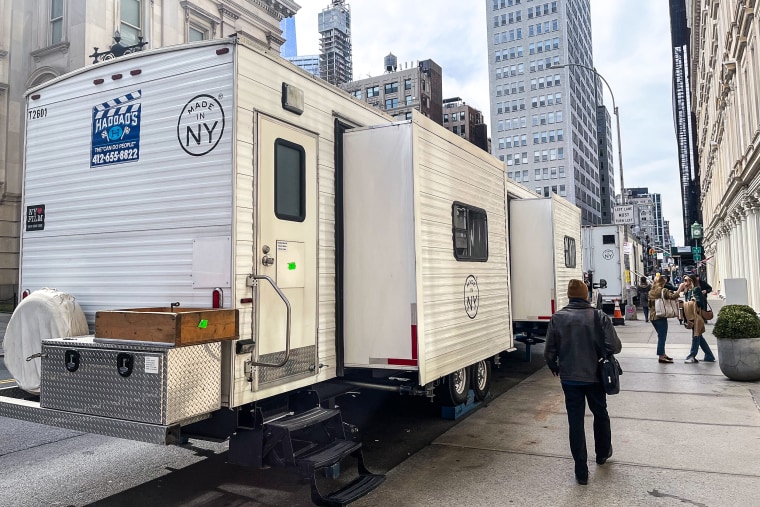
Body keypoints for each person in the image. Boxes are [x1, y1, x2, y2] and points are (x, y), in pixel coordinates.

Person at [544, 279, 622, 485]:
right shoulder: (599, 316)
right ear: (586, 295)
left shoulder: (557, 318)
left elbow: (549, 351)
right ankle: (603, 452)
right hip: (596, 376)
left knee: (575, 422)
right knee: (600, 412)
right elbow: (614, 346)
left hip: (570, 378)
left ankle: (581, 471)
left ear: (569, 296)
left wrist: (555, 367)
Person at [648, 275, 685, 363]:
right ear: (662, 282)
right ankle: (661, 356)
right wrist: (680, 288)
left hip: (653, 316)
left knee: (661, 336)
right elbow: (673, 296)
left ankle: (663, 354)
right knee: (662, 337)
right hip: (660, 316)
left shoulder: (651, 291)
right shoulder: (663, 290)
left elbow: (649, 304)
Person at [682, 275, 716, 363]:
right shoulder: (689, 290)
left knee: (696, 335)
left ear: (691, 281)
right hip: (692, 316)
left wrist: (692, 301)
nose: (685, 282)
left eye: (686, 280)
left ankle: (692, 355)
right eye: (684, 280)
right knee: (699, 336)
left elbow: (700, 302)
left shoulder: (696, 289)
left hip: (697, 316)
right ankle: (709, 355)